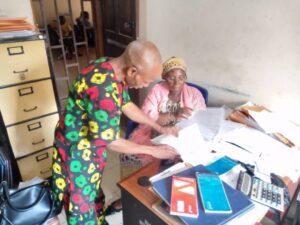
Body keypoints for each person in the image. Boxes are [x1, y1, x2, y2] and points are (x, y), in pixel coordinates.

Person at [51, 41, 179, 225]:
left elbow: (125, 104)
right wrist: (153, 150)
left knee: (94, 196)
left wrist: (158, 127)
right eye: (147, 81)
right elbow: (110, 141)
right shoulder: (103, 89)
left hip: (87, 147)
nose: (145, 86)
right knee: (81, 208)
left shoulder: (107, 66)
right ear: (133, 71)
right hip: (76, 153)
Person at [125, 56, 206, 166]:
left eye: (181, 77)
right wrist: (173, 115)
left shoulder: (194, 94)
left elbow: (201, 118)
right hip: (155, 132)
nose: (176, 82)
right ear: (165, 78)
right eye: (171, 78)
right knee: (147, 160)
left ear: (185, 78)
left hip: (183, 136)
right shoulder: (157, 90)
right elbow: (146, 116)